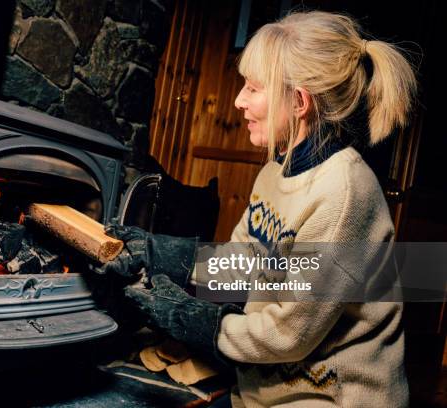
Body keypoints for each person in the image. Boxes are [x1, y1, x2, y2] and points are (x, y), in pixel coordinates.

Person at [97, 11, 417, 407]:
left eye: (252, 88)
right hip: (263, 387)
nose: (238, 101)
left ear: (298, 102)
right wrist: (161, 255)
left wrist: (193, 321)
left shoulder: (343, 193)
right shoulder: (274, 171)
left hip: (326, 397)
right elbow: (246, 261)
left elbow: (289, 334)